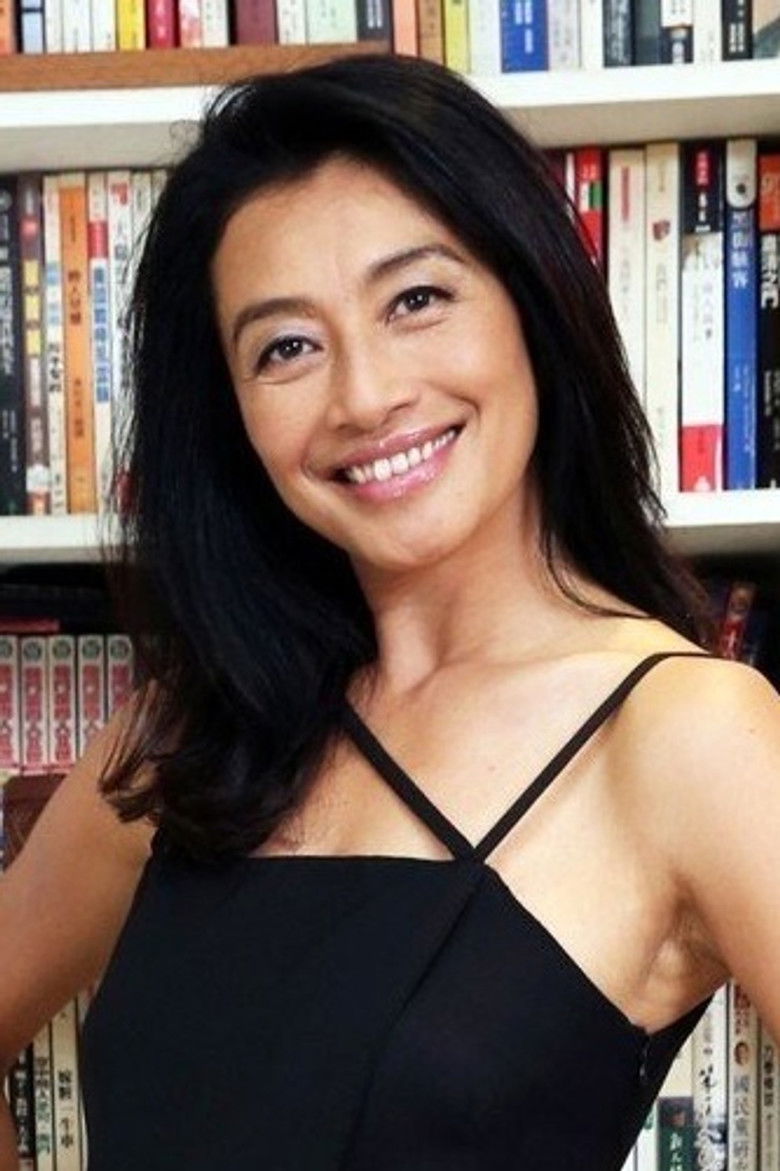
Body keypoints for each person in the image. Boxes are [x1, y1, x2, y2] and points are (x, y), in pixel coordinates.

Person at [1, 53, 778, 1171]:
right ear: (231, 414)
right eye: (287, 347)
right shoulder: (186, 735)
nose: (365, 396)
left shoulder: (690, 734)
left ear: (533, 305)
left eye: (417, 299)